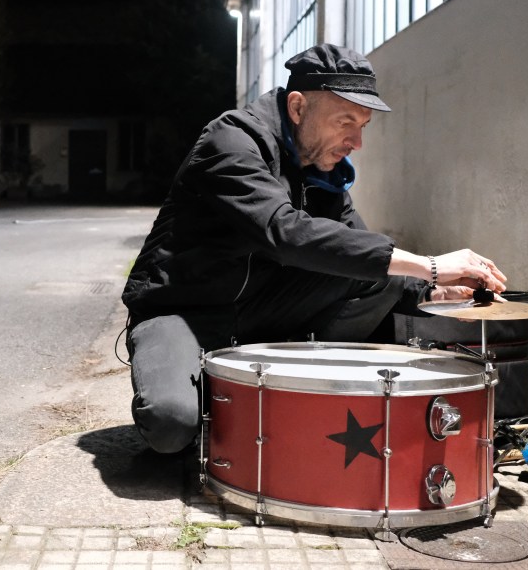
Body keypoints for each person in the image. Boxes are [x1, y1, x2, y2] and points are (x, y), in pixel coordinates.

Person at [121, 43, 508, 454]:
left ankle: (295, 399)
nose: (356, 141)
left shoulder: (324, 171)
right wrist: (429, 265)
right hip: (184, 312)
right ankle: (201, 392)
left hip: (260, 310)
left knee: (380, 276)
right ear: (298, 107)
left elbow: (363, 256)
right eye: (345, 122)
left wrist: (434, 294)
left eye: (363, 125)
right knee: (171, 423)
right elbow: (283, 232)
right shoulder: (232, 142)